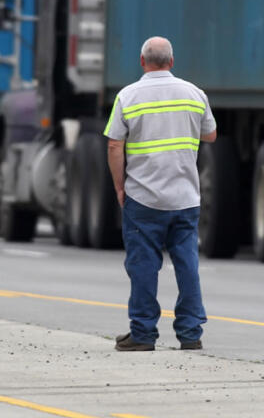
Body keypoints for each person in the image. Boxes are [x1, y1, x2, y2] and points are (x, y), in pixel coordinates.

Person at [104, 36, 216, 352]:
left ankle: (142, 333)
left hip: (144, 197)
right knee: (187, 263)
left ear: (142, 62)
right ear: (172, 61)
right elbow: (210, 133)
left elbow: (114, 144)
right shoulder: (195, 94)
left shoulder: (128, 96)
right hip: (185, 197)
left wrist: (119, 186)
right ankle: (191, 333)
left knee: (143, 265)